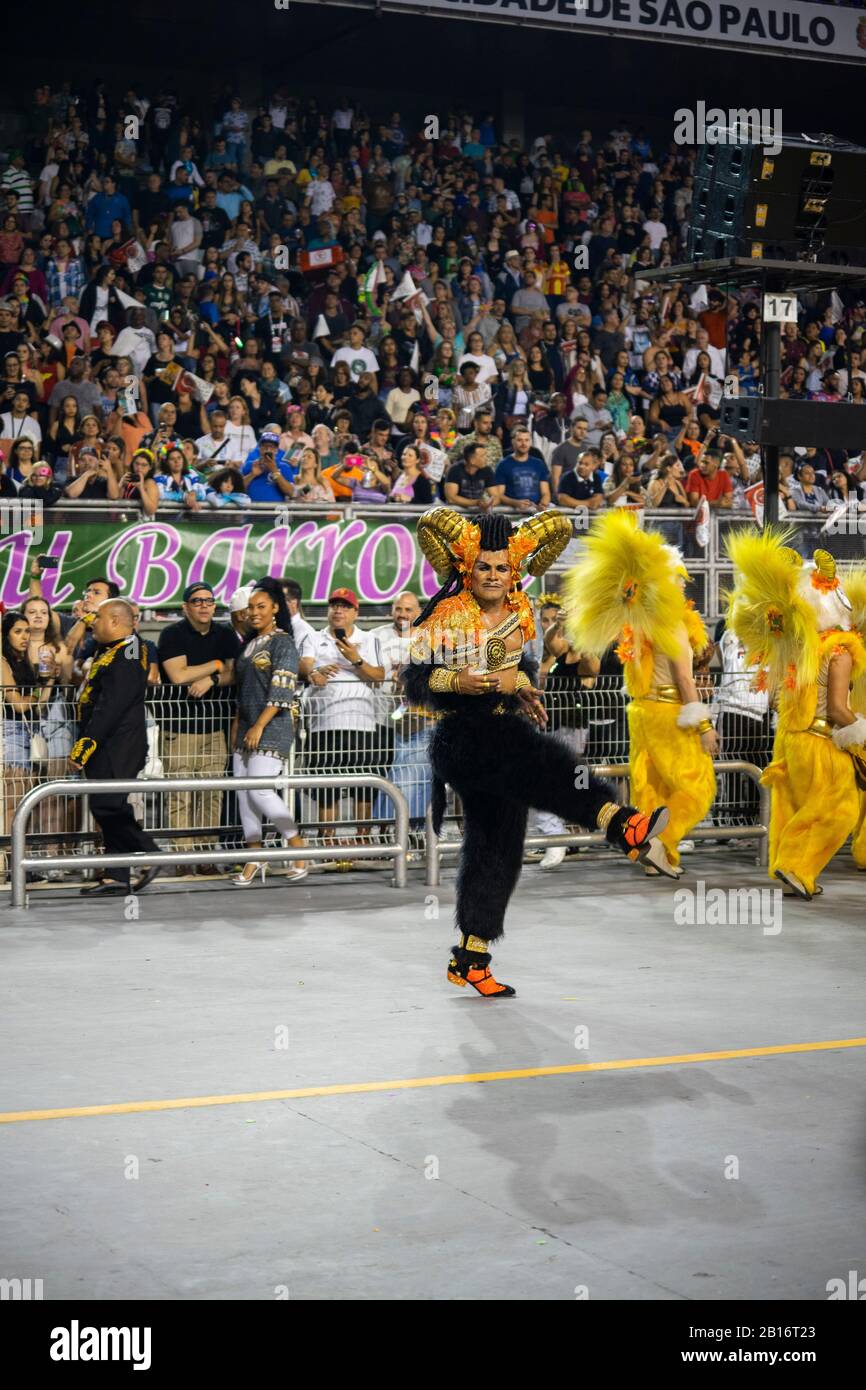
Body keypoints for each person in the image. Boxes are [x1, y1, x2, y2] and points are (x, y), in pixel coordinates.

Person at [402, 507, 671, 998]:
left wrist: (522, 687)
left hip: (497, 731)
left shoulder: (519, 612)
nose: (492, 576)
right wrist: (457, 680)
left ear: (513, 571)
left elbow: (521, 668)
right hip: (461, 737)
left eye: (501, 568)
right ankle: (619, 821)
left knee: (497, 848)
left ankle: (472, 957)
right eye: (484, 566)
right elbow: (414, 681)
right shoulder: (446, 612)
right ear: (468, 566)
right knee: (546, 762)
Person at [564, 510, 717, 878]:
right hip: (669, 713)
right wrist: (704, 725)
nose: (684, 586)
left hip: (641, 712)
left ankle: (656, 859)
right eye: (680, 580)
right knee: (698, 788)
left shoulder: (637, 622)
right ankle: (660, 842)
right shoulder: (673, 622)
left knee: (652, 790)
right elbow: (683, 678)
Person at [727, 536, 866, 900]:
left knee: (793, 806)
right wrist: (860, 734)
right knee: (841, 809)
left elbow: (775, 697)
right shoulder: (839, 652)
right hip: (821, 742)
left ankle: (789, 871)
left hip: (788, 741)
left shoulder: (793, 649)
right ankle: (797, 866)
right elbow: (837, 708)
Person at [68, 599, 162, 897]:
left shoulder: (131, 650)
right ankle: (117, 876)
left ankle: (149, 851)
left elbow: (111, 706)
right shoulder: (108, 651)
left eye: (97, 618)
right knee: (108, 805)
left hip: (118, 744)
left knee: (105, 804)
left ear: (114, 621)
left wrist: (85, 744)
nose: (92, 623)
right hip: (108, 744)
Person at [157, 583, 241, 867]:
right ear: (185, 607)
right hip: (178, 728)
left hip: (215, 727)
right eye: (197, 601)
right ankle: (182, 857)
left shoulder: (226, 634)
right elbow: (178, 675)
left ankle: (205, 856)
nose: (204, 606)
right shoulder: (172, 634)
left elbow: (235, 673)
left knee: (211, 794)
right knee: (180, 795)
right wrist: (217, 664)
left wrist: (213, 679)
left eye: (209, 601)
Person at [230, 579, 307, 885]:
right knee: (244, 796)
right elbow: (243, 689)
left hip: (272, 726)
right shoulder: (248, 644)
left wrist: (260, 725)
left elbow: (283, 690)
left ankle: (298, 847)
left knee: (260, 790)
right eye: (250, 607)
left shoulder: (282, 642)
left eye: (261, 606)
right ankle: (255, 857)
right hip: (245, 728)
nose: (254, 612)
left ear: (276, 608)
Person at [302, 587, 385, 848]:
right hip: (323, 724)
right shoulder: (313, 638)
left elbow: (379, 676)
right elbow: (304, 665)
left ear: (355, 612)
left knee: (364, 786)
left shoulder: (370, 639)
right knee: (326, 788)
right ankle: (327, 842)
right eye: (334, 605)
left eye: (345, 606)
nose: (338, 610)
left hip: (362, 723)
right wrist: (315, 672)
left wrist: (355, 659)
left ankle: (363, 840)